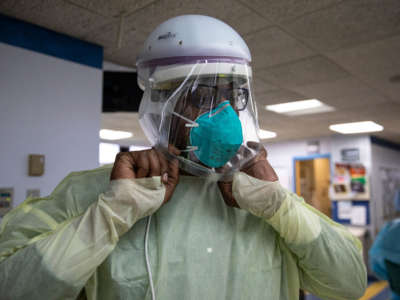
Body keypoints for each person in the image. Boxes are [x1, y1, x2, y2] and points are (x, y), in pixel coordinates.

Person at [0, 15, 367, 300]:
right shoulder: (96, 194)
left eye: (234, 96)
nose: (223, 113)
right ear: (162, 105)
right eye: (202, 95)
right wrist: (110, 216)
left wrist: (281, 206)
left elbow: (349, 284)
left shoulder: (264, 198)